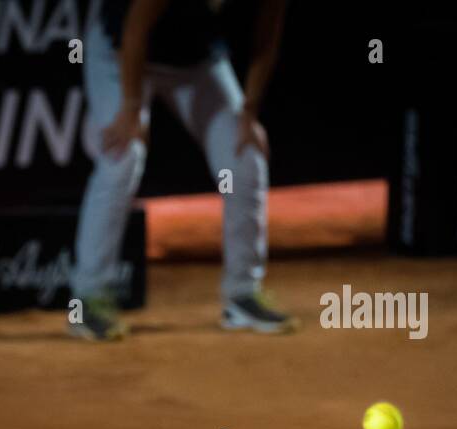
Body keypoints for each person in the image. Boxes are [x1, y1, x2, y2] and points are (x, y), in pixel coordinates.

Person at [71, 0, 294, 340]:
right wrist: (131, 108)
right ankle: (89, 299)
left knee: (245, 155)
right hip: (119, 50)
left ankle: (242, 294)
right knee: (123, 156)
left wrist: (248, 112)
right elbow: (134, 30)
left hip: (198, 61)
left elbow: (266, 39)